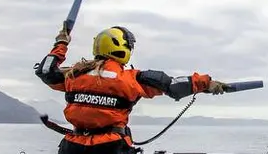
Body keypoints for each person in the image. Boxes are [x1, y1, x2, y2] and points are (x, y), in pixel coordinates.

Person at [34, 24, 227, 154]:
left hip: (73, 146)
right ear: (123, 47)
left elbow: (46, 71)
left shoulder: (74, 75)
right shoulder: (130, 79)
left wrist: (61, 43)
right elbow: (174, 86)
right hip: (110, 147)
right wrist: (207, 83)